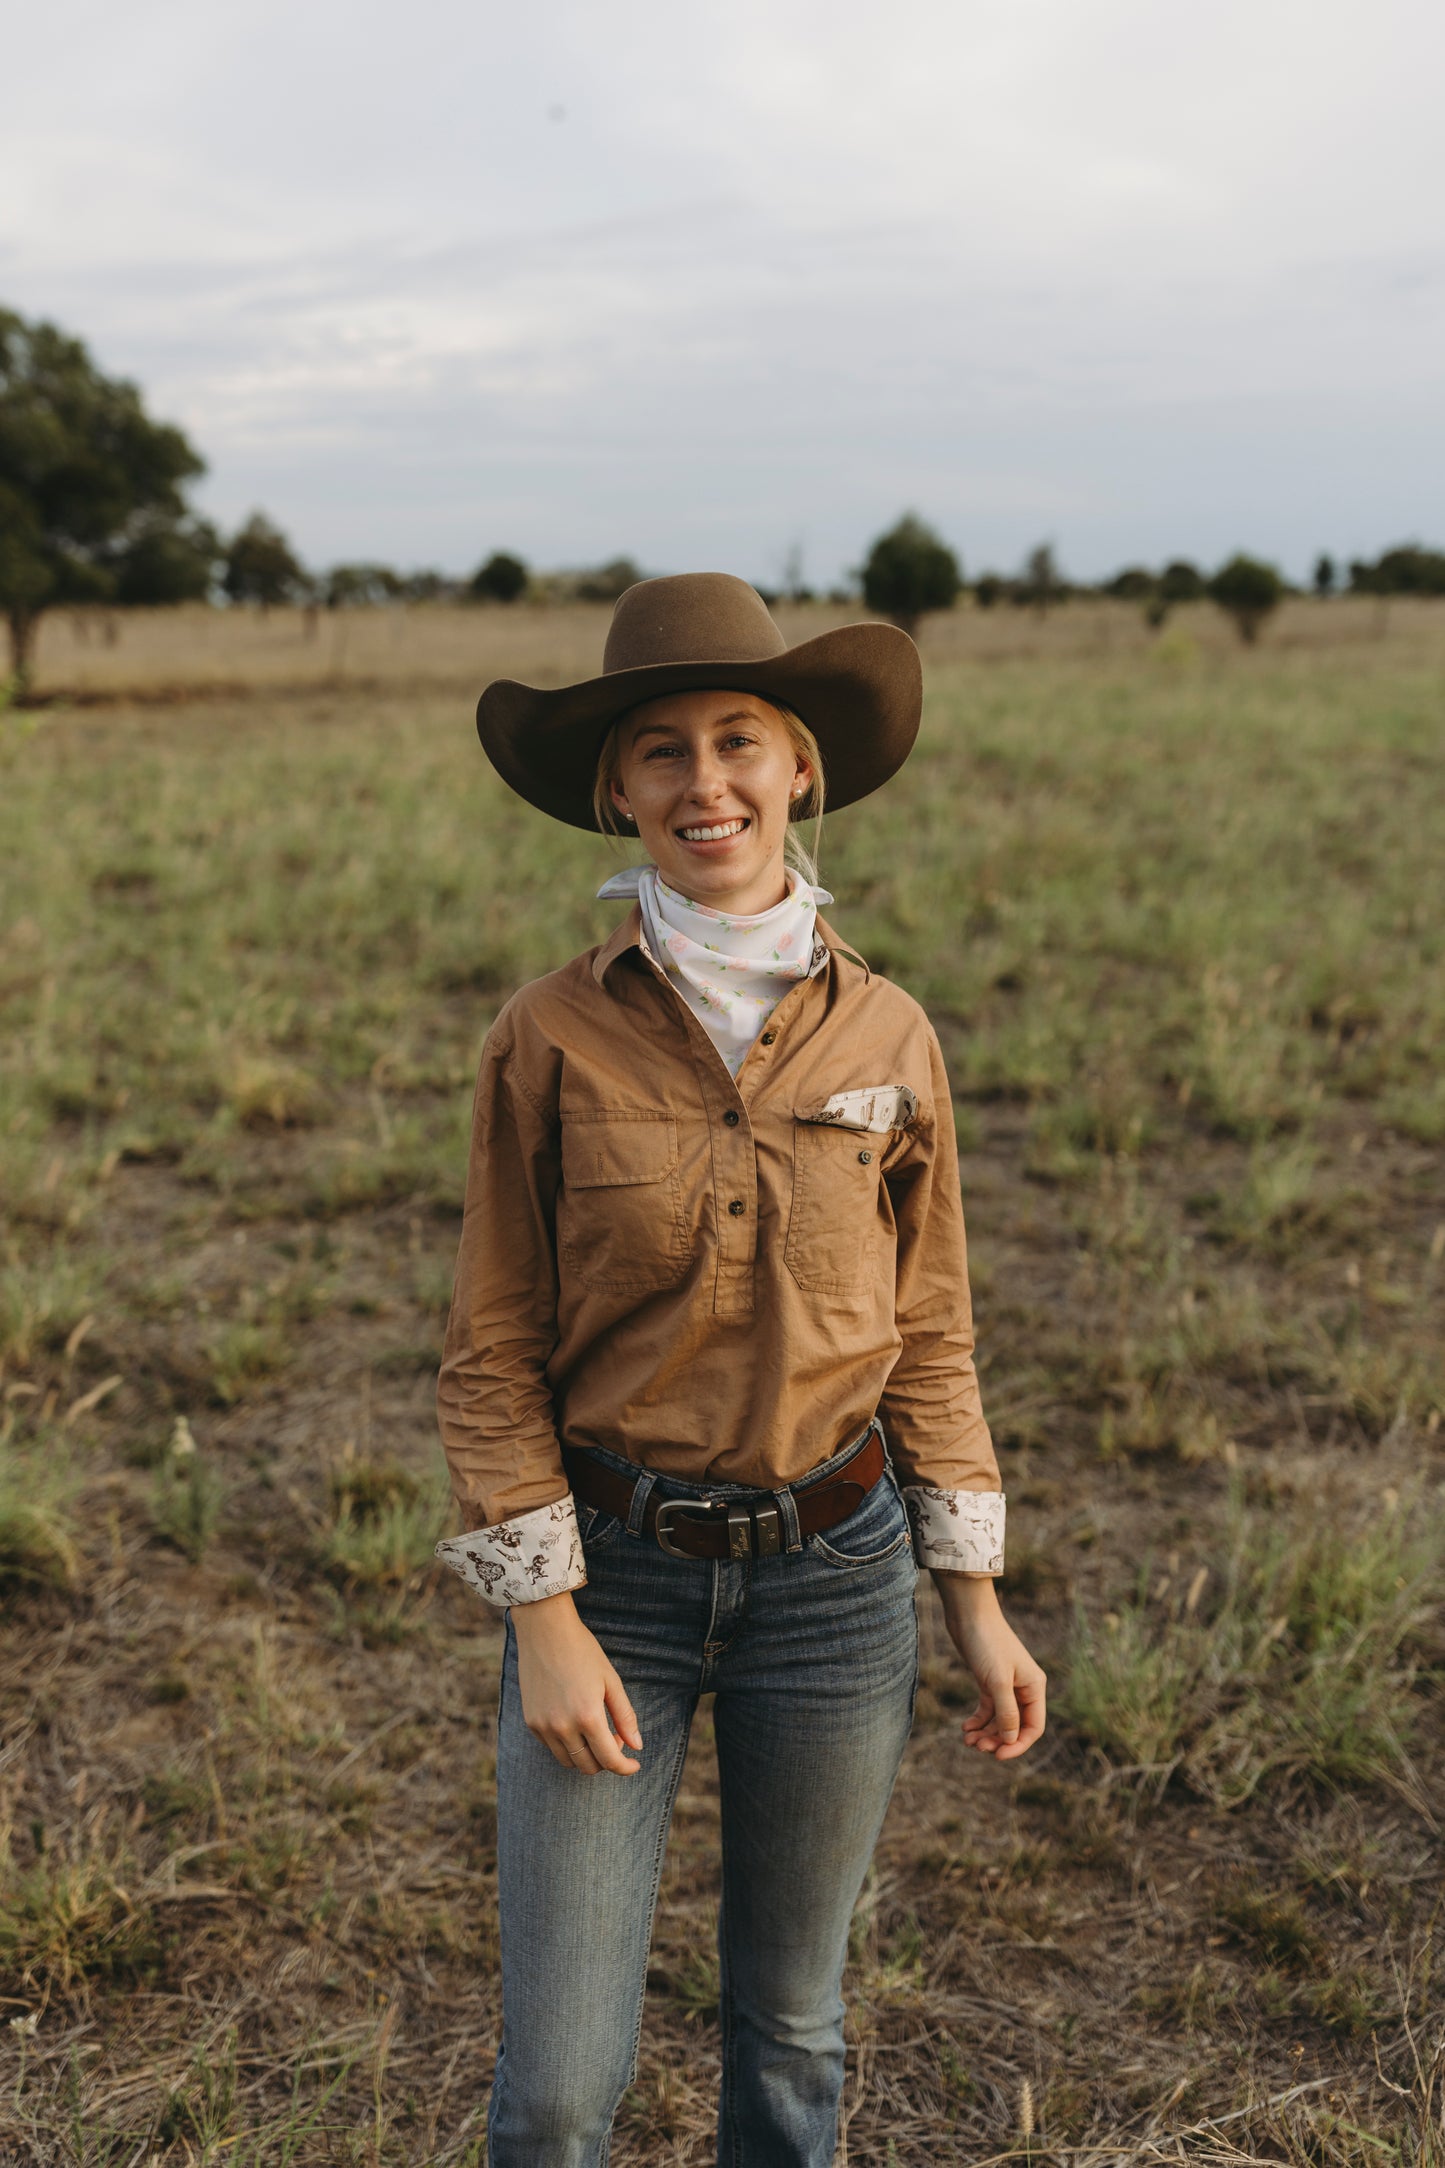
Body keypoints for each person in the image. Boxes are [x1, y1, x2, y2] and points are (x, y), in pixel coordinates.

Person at [433, 573, 1046, 2167]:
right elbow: (491, 1346)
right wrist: (546, 1627)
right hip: (613, 1583)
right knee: (562, 2080)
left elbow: (928, 1333)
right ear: (612, 791)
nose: (702, 784)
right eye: (660, 751)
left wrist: (970, 1600)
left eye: (736, 742)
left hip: (835, 1585)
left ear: (799, 771)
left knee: (790, 2029)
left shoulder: (890, 1038)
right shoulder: (545, 1038)